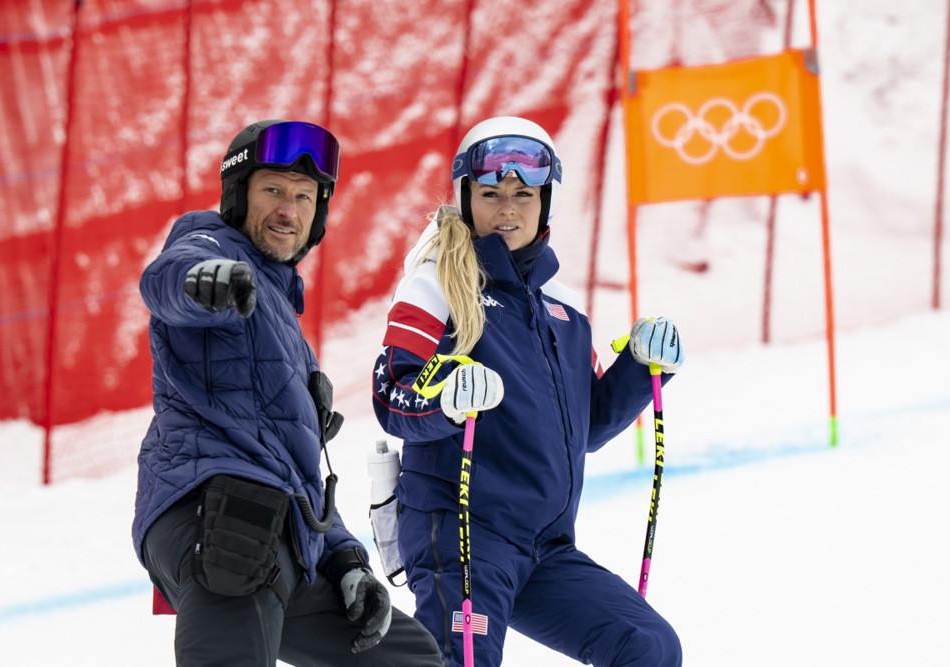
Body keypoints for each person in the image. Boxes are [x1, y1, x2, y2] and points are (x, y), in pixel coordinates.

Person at [371, 116, 685, 666]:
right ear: (466, 199)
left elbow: (585, 428)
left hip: (546, 547)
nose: (507, 210)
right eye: (490, 195)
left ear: (546, 204)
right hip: (463, 535)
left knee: (648, 646)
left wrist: (640, 368)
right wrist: (445, 397)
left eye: (523, 195)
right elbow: (391, 394)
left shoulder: (563, 308)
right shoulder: (436, 284)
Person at [133, 119, 443, 666]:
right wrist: (204, 281)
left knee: (409, 656)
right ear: (239, 195)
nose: (288, 211)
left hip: (281, 534)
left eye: (304, 197)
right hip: (220, 512)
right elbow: (168, 278)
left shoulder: (285, 325)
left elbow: (296, 472)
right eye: (273, 190)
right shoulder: (211, 243)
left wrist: (346, 560)